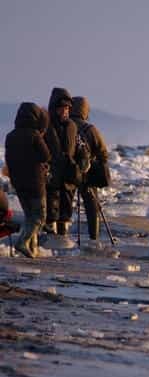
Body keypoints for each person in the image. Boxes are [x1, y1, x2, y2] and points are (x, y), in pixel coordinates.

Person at [4, 102, 51, 257]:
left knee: (29, 216)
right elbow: (46, 156)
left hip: (18, 182)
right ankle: (22, 242)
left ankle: (31, 249)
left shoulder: (10, 136)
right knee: (39, 217)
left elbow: (8, 159)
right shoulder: (34, 135)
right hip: (35, 181)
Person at [70, 96, 110, 242]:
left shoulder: (64, 125)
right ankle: (94, 237)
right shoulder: (90, 129)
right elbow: (103, 152)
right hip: (87, 174)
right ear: (85, 110)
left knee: (64, 205)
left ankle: (60, 236)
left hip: (66, 172)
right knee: (92, 207)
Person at [44, 88, 80, 236]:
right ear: (54, 108)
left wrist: (81, 162)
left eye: (67, 108)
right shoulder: (46, 125)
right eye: (62, 108)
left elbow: (78, 146)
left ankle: (62, 236)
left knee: (66, 208)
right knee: (51, 206)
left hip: (68, 173)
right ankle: (49, 238)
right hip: (51, 173)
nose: (65, 111)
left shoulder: (72, 126)